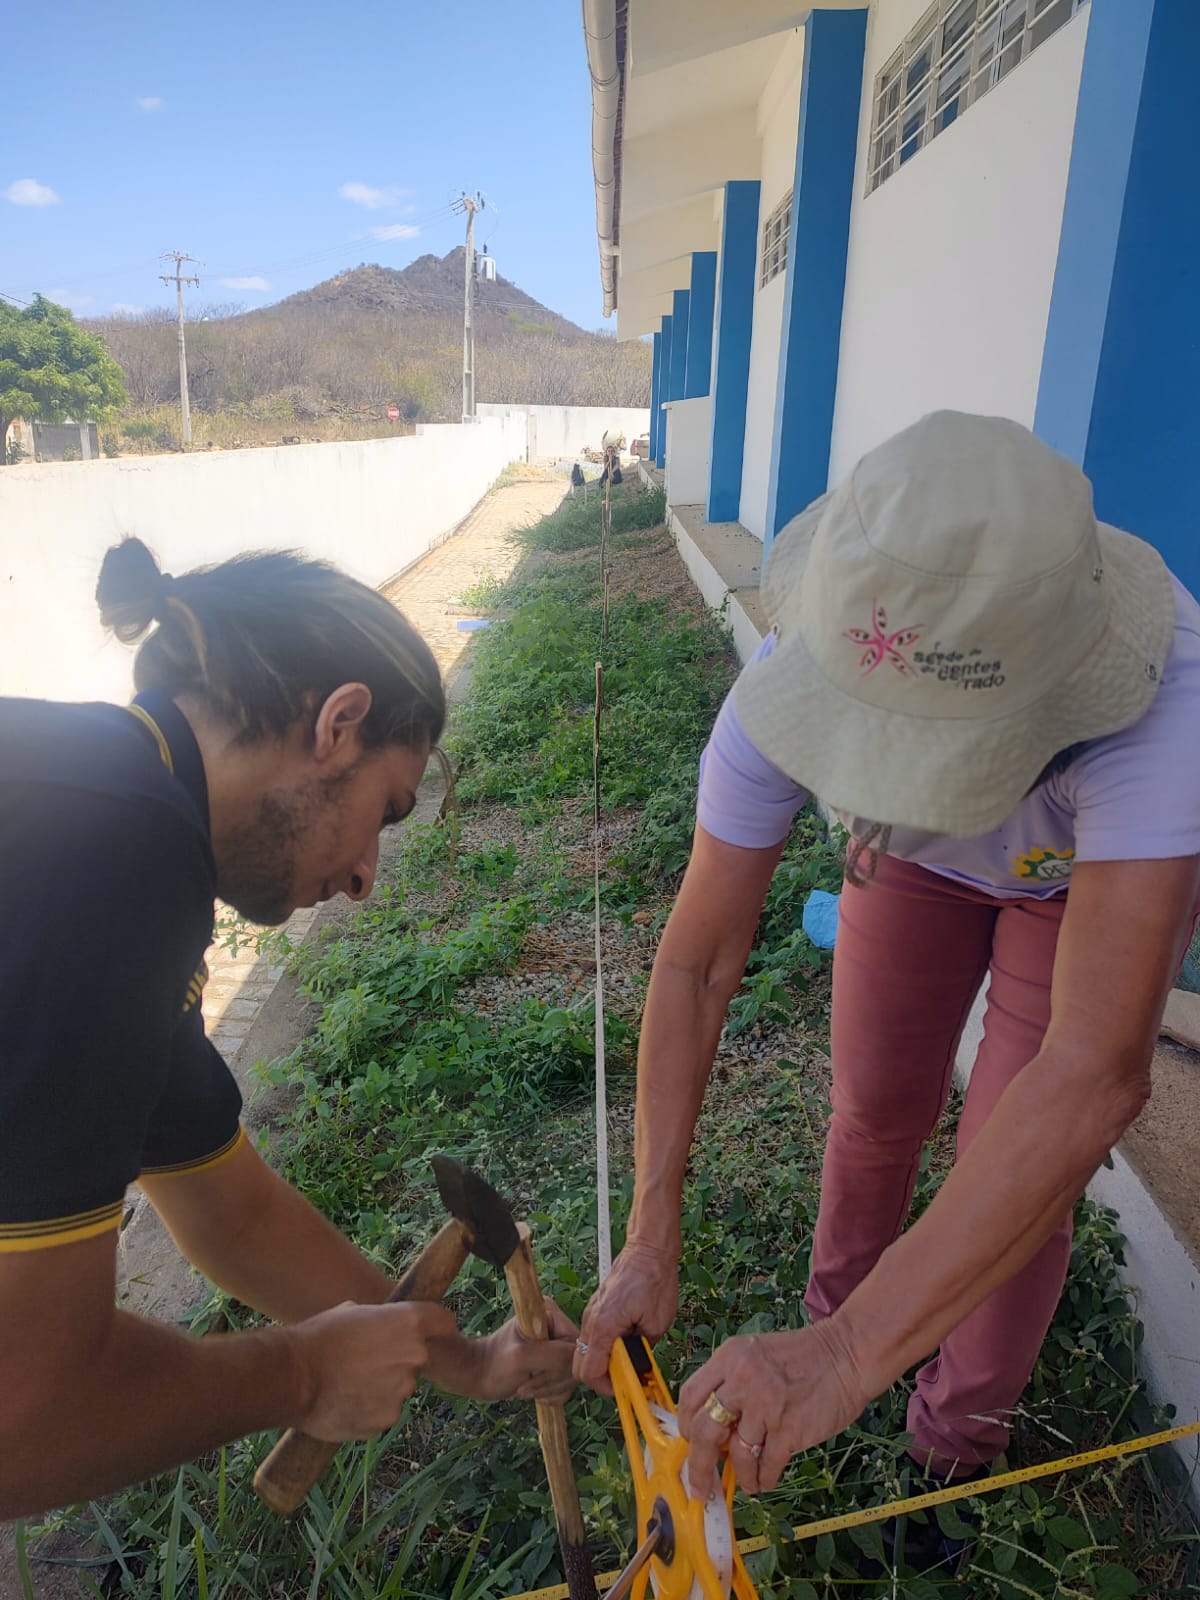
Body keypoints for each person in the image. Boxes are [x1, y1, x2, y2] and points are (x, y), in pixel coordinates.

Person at [575, 412, 1200, 1554]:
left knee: (1018, 1162)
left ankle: (951, 1444)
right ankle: (834, 1321)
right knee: (872, 1103)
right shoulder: (791, 676)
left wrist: (860, 1358)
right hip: (912, 868)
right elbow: (700, 959)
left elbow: (1090, 1078)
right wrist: (651, 1224)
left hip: (1071, 894)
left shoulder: (1169, 708)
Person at [0, 538, 576, 1521]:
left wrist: (470, 1360)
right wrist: (298, 1374)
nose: (364, 876)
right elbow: (22, 1423)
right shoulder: (109, 851)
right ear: (338, 723)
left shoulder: (106, 801)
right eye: (383, 812)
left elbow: (235, 1214)